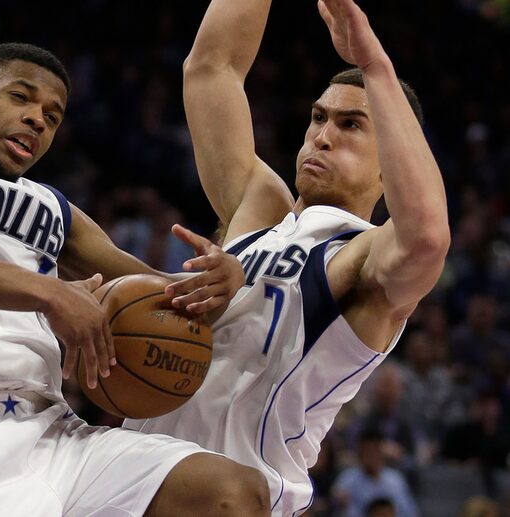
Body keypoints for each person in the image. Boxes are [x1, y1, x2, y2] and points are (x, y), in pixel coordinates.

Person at [0, 41, 269, 516]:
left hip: (55, 430)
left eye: (53, 115)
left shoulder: (52, 208)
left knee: (233, 494)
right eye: (20, 97)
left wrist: (218, 283)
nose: (37, 119)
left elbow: (161, 294)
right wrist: (49, 293)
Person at [124, 0, 450, 515]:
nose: (321, 137)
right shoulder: (260, 211)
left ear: (391, 163)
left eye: (350, 125)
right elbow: (212, 69)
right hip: (132, 477)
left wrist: (374, 65)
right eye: (318, 118)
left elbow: (428, 239)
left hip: (237, 497)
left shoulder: (360, 258)